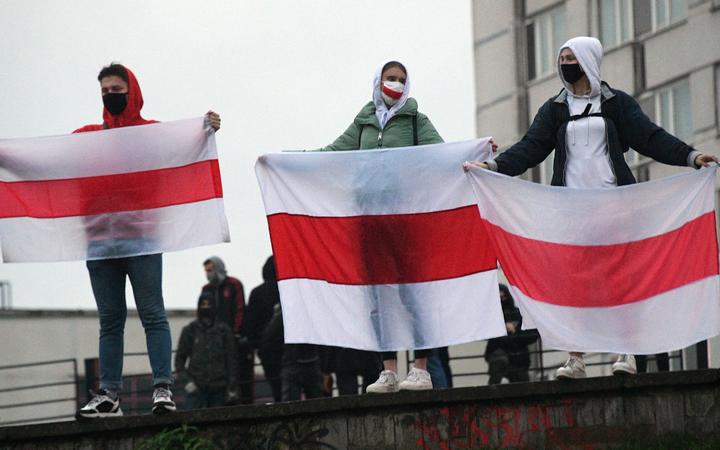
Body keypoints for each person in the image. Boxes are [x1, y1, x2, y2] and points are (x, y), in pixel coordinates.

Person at [465, 37, 718, 380]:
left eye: (571, 57)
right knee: (574, 285)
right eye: (562, 58)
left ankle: (625, 351)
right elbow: (529, 148)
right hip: (570, 211)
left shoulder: (615, 104)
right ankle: (575, 357)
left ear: (587, 61)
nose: (565, 64)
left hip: (615, 206)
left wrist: (690, 156)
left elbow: (650, 137)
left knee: (621, 281)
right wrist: (492, 168)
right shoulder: (555, 108)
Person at [76, 63, 221, 418]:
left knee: (152, 314)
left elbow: (183, 142)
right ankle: (109, 394)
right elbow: (47, 161)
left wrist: (205, 127)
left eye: (116, 90)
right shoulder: (87, 137)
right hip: (100, 242)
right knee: (110, 321)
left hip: (141, 238)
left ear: (132, 91)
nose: (111, 96)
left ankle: (162, 388)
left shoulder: (151, 134)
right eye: (105, 92)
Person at [321, 60, 457, 394]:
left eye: (400, 79)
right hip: (370, 219)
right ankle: (389, 371)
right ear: (378, 81)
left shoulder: (415, 121)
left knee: (413, 293)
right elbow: (332, 154)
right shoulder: (364, 122)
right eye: (389, 78)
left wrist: (479, 153)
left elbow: (442, 154)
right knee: (378, 296)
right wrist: (288, 160)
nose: (394, 84)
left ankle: (421, 369)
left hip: (405, 218)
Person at [201, 256, 253, 404]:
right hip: (214, 340)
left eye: (210, 270)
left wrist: (235, 332)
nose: (208, 274)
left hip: (232, 338)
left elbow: (239, 308)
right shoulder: (206, 289)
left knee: (237, 372)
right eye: (206, 271)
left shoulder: (234, 285)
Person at [175, 293, 238, 410]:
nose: (206, 307)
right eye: (203, 304)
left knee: (218, 424)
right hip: (195, 387)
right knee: (190, 422)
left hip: (218, 388)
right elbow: (179, 360)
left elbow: (231, 359)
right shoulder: (190, 330)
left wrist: (231, 386)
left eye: (209, 304)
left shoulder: (224, 331)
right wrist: (187, 382)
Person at [262, 303, 324, 401]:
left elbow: (269, 337)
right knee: (317, 401)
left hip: (291, 361)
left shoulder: (285, 313)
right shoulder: (313, 311)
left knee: (290, 404)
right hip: (312, 360)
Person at [245, 256, 283, 402]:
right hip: (288, 347)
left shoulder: (257, 293)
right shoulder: (287, 291)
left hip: (266, 348)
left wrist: (255, 344)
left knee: (275, 385)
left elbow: (251, 323)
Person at [484, 285, 539, 384]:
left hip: (518, 361)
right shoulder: (492, 318)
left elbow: (532, 335)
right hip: (503, 360)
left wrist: (515, 332)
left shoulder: (518, 314)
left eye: (503, 298)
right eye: (499, 299)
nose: (502, 301)